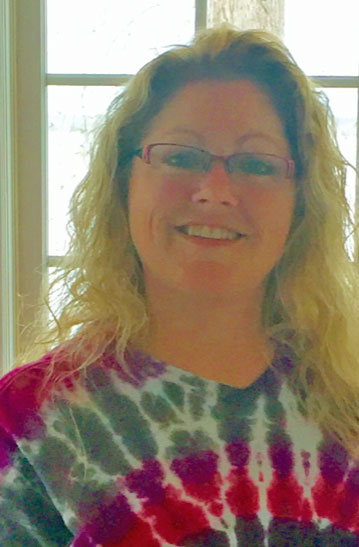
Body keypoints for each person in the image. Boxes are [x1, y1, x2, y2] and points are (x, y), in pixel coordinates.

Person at [1, 23, 359, 546]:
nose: (215, 191)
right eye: (181, 157)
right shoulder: (31, 426)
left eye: (256, 164)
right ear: (123, 182)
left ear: (301, 201)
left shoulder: (346, 402)